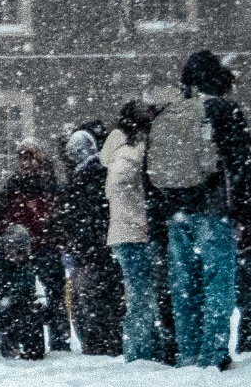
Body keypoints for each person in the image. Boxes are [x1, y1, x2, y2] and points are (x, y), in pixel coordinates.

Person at [145, 49, 245, 370]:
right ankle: (213, 355)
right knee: (218, 282)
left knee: (185, 286)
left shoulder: (171, 112)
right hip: (214, 211)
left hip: (176, 213)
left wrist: (160, 216)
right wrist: (243, 212)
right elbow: (241, 165)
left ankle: (187, 353)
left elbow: (150, 175)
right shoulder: (225, 110)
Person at [106, 104, 169, 364]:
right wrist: (142, 219)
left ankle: (142, 350)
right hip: (135, 233)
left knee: (140, 294)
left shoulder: (119, 152)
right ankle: (142, 352)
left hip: (125, 232)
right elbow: (121, 186)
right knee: (143, 296)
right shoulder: (133, 153)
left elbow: (115, 189)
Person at [57, 128, 124, 356]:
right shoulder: (102, 172)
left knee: (89, 301)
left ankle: (97, 344)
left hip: (90, 250)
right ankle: (109, 341)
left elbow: (79, 216)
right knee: (105, 299)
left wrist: (79, 239)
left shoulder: (82, 178)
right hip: (104, 247)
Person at [0, 142, 70, 352]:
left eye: (29, 157)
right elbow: (7, 215)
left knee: (54, 295)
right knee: (22, 296)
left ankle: (59, 340)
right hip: (24, 249)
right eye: (22, 157)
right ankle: (23, 339)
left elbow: (56, 215)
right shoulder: (16, 184)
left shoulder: (49, 184)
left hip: (45, 246)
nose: (25, 162)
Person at [0, 224, 54, 360]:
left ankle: (29, 348)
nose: (17, 255)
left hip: (18, 308)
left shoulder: (27, 267)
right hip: (0, 309)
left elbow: (28, 288)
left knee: (33, 312)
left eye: (21, 251)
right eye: (14, 250)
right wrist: (6, 300)